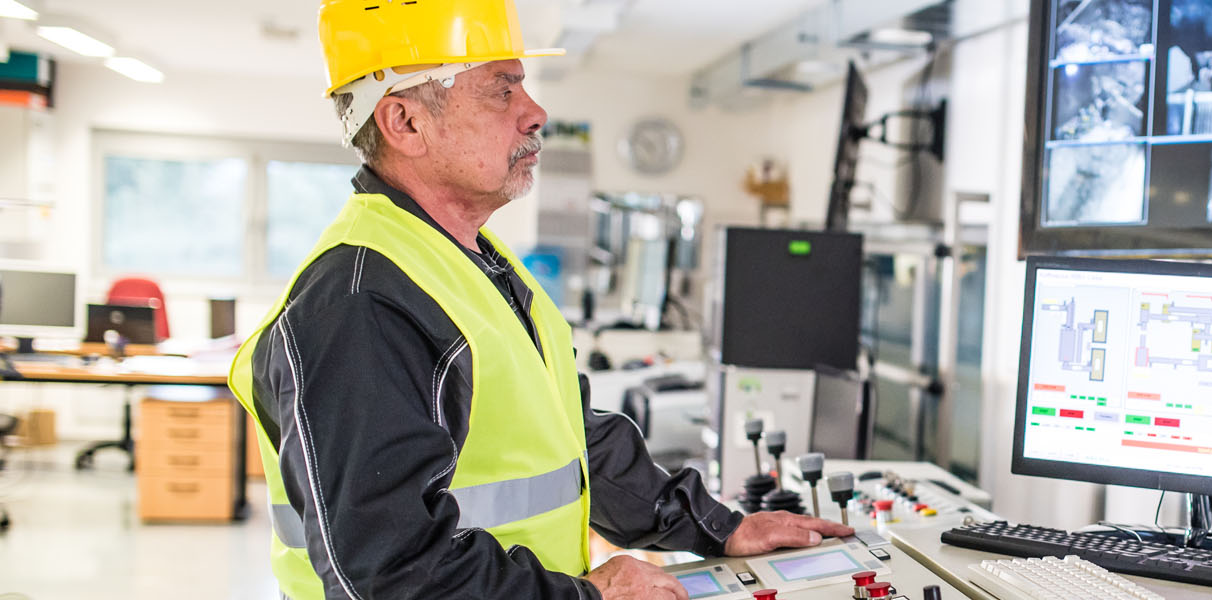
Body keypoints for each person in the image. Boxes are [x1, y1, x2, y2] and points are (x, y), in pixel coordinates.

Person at [227, 1, 851, 598]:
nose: (535, 112)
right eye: (502, 89)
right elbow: (388, 571)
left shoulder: (473, 260)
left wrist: (719, 526)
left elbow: (568, 442)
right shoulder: (361, 301)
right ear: (405, 122)